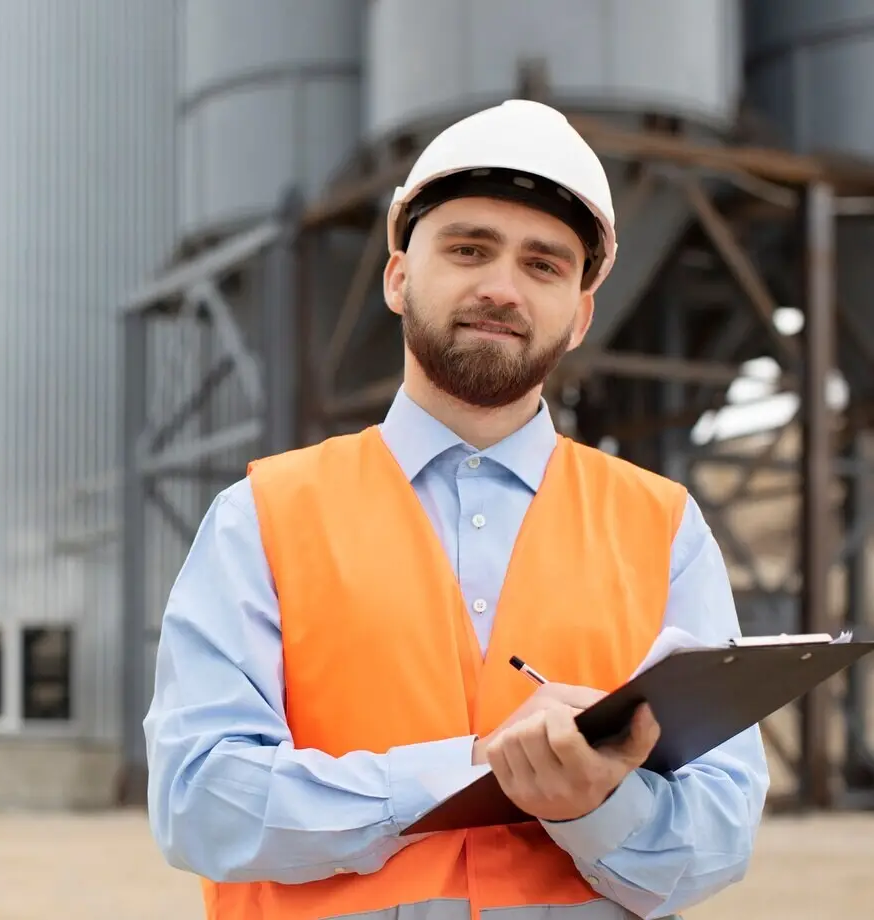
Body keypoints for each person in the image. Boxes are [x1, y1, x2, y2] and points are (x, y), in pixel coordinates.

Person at [142, 99, 770, 920]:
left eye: (544, 265)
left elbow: (721, 833)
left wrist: (592, 805)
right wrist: (474, 770)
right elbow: (199, 801)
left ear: (580, 315)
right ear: (399, 276)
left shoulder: (663, 528)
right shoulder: (262, 514)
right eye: (469, 249)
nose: (502, 288)